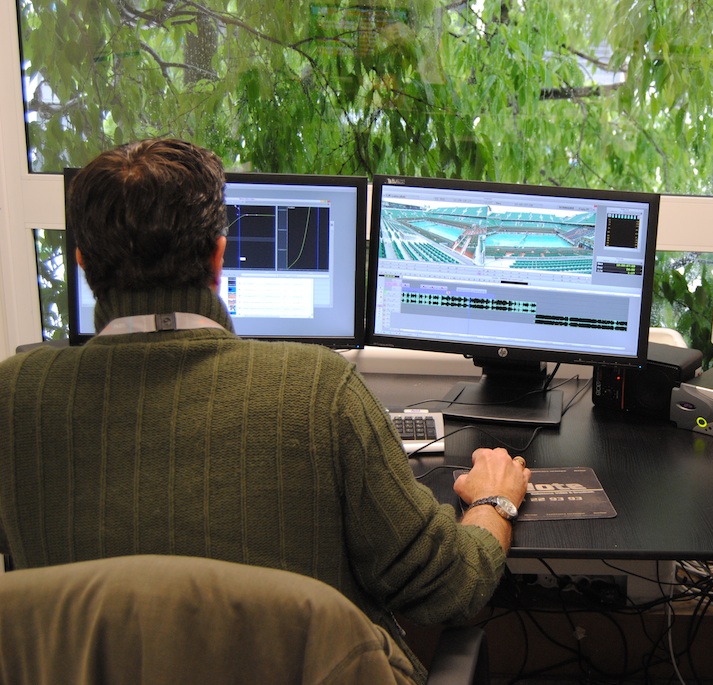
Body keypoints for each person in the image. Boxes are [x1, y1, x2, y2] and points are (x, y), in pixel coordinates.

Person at [0, 138, 531, 683]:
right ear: (219, 256)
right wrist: (493, 502)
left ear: (82, 263)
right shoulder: (320, 390)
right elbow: (447, 586)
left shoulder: (14, 396)